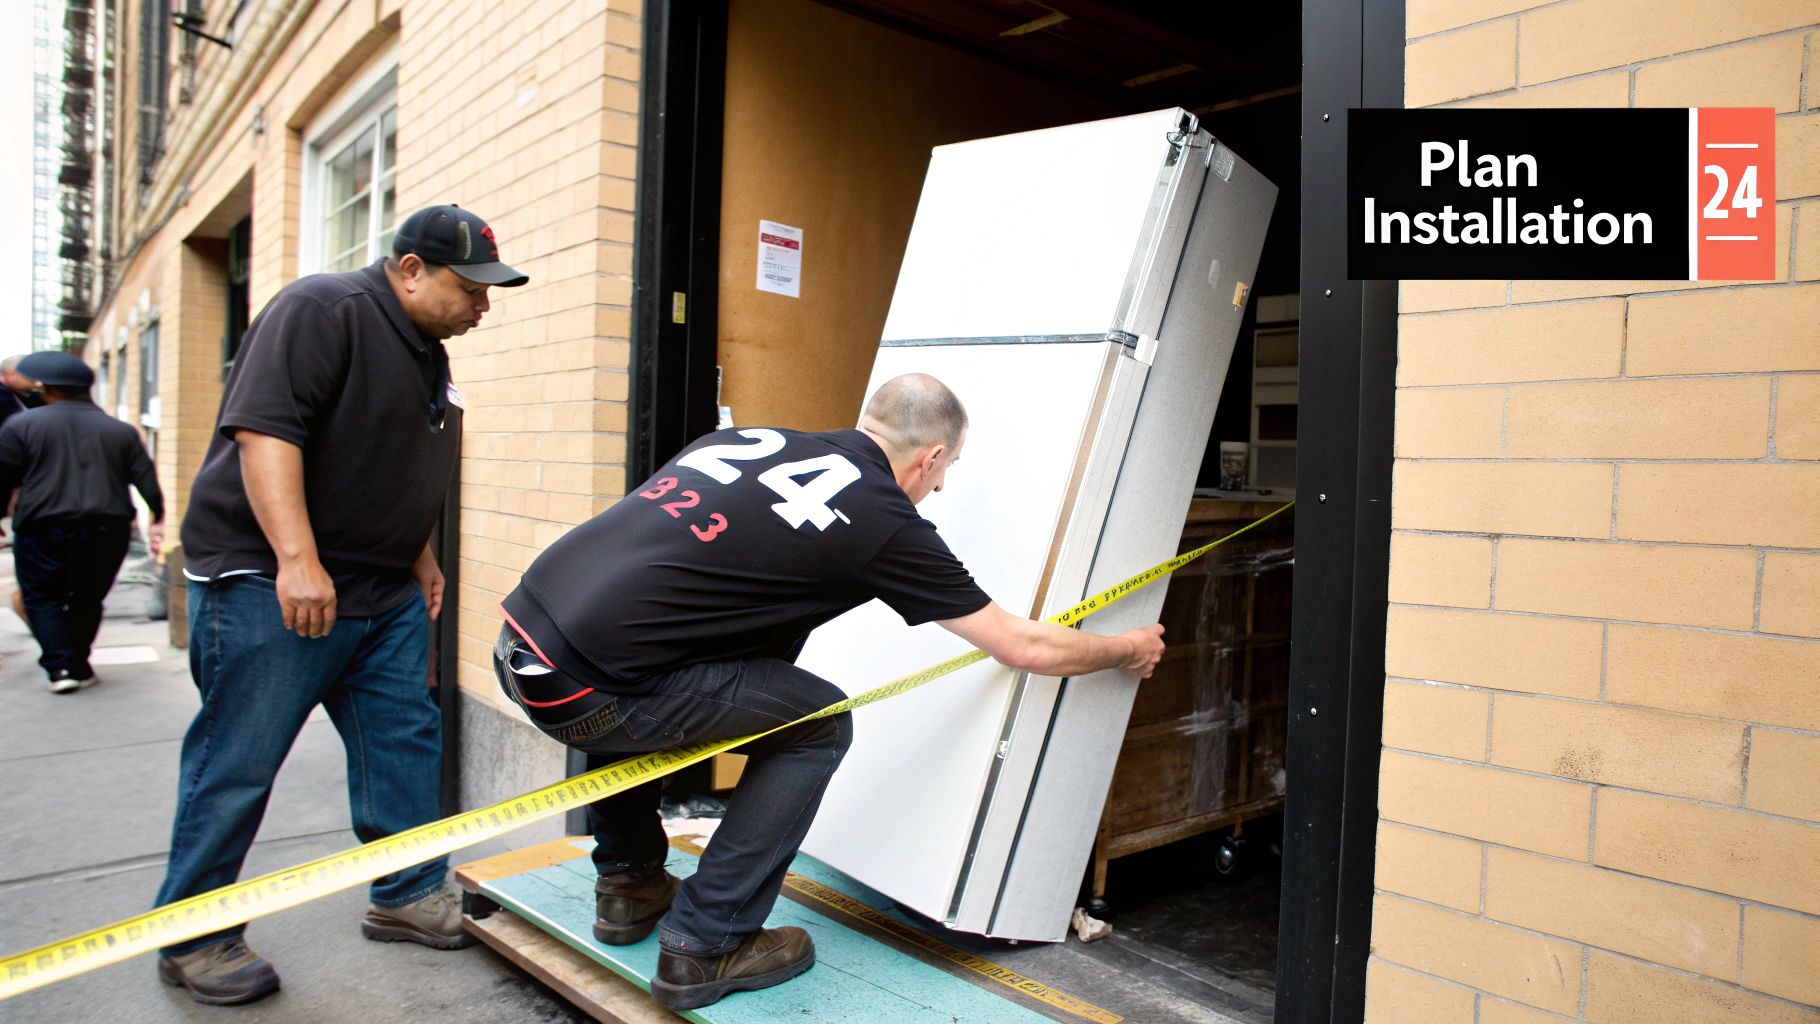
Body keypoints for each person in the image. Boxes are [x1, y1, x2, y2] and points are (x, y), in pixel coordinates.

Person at [494, 373, 1166, 1011]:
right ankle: (708, 942)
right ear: (931, 458)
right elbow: (1025, 646)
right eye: (945, 474)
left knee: (647, 667)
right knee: (820, 722)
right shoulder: (880, 517)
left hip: (520, 643)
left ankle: (630, 885)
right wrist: (1127, 648)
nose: (936, 492)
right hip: (587, 693)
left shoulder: (747, 441)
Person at [153, 205, 529, 1006]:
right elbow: (264, 434)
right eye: (470, 288)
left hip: (381, 590)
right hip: (272, 584)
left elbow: (394, 461)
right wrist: (296, 560)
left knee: (405, 741)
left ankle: (407, 893)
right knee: (238, 761)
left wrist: (418, 557)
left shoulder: (425, 352)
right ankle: (193, 933)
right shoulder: (322, 312)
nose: (482, 306)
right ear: (410, 269)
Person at [0, 351, 163, 692]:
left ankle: (62, 668)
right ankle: (78, 662)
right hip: (108, 528)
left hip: (41, 526)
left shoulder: (21, 426)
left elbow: (3, 478)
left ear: (48, 388)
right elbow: (146, 480)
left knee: (42, 596)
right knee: (88, 598)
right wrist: (157, 516)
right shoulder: (120, 431)